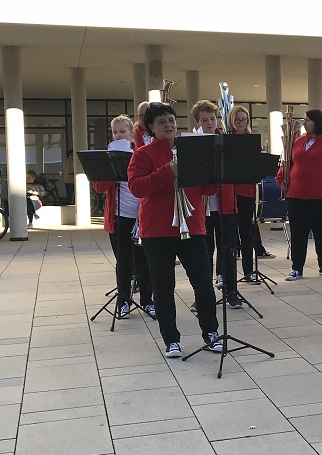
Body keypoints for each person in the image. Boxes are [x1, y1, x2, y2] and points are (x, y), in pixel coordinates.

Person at [128, 102, 222, 359]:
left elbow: (207, 189)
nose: (168, 125)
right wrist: (168, 171)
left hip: (192, 225)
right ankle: (171, 340)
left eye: (171, 120)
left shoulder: (190, 148)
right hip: (158, 230)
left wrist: (214, 174)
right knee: (163, 287)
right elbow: (137, 187)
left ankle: (211, 333)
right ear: (151, 127)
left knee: (203, 284)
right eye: (162, 122)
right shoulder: (143, 154)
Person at [92, 115, 155, 320]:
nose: (118, 135)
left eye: (122, 131)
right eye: (115, 132)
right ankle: (124, 300)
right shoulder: (110, 157)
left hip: (140, 216)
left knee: (144, 260)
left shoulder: (141, 154)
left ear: (131, 134)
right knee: (124, 261)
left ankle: (147, 300)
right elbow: (99, 187)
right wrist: (112, 168)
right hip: (119, 216)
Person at [276, 108, 322, 280]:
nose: (304, 123)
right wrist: (281, 179)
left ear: (317, 122)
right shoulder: (298, 141)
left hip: (320, 195)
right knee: (298, 233)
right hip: (296, 195)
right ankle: (297, 268)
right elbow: (287, 162)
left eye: (307, 120)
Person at [191, 100, 228, 295]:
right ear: (198, 122)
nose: (210, 123)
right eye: (205, 120)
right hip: (202, 204)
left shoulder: (223, 140)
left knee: (225, 245)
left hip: (223, 203)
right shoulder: (193, 142)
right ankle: (204, 292)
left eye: (212, 119)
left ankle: (224, 280)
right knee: (205, 249)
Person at [227, 105, 263, 285]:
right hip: (229, 192)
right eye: (237, 119)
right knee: (229, 235)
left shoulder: (252, 141)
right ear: (232, 121)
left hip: (247, 191)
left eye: (244, 119)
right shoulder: (226, 140)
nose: (241, 122)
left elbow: (258, 166)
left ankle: (249, 271)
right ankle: (226, 275)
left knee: (246, 232)